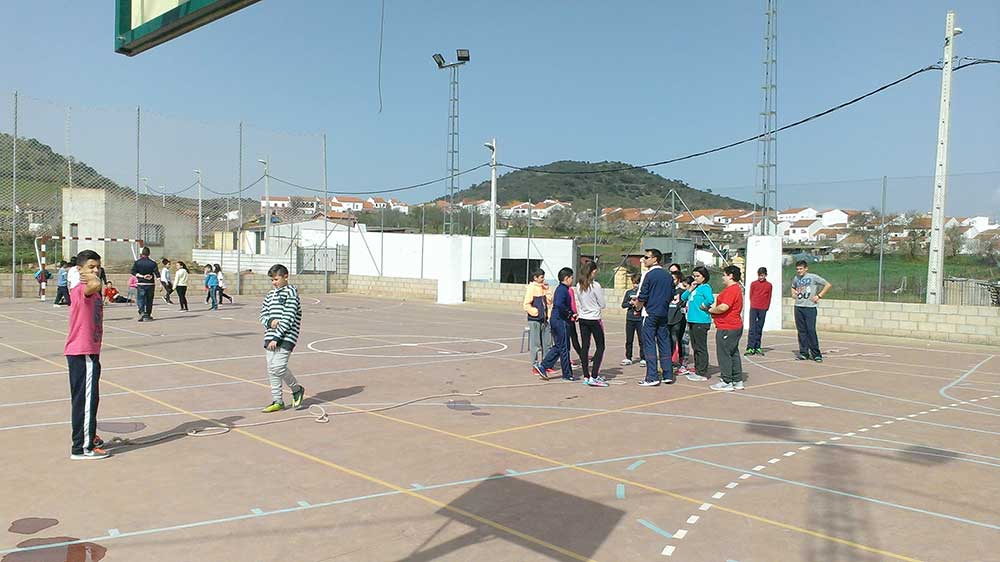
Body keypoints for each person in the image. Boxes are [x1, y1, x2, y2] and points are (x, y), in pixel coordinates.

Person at [65, 249, 110, 459]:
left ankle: (88, 437)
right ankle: (82, 448)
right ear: (80, 270)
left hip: (89, 353)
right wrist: (92, 277)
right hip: (83, 353)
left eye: (98, 266)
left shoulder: (91, 289)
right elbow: (94, 284)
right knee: (85, 401)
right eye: (91, 266)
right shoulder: (82, 288)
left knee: (90, 400)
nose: (96, 270)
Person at [259, 264, 305, 413]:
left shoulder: (291, 293)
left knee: (278, 366)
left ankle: (296, 389)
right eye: (272, 280)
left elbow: (288, 317)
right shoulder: (270, 296)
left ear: (286, 276)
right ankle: (277, 401)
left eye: (276, 279)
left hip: (286, 337)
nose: (274, 282)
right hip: (270, 336)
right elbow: (262, 315)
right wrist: (269, 321)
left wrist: (277, 337)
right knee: (271, 369)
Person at [635, 248, 675, 387]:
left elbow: (643, 295)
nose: (644, 259)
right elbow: (672, 294)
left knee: (649, 344)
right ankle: (667, 374)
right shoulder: (668, 276)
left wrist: (638, 306)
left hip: (650, 313)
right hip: (663, 313)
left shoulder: (648, 275)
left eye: (646, 257)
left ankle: (652, 376)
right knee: (664, 343)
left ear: (655, 259)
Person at [532, 267, 575, 381]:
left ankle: (543, 366)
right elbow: (559, 304)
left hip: (557, 320)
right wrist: (569, 313)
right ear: (566, 278)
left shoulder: (562, 289)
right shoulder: (562, 290)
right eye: (571, 277)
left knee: (559, 346)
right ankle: (566, 374)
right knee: (564, 347)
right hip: (560, 321)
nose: (572, 279)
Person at [706, 265, 745, 391]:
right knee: (733, 352)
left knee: (724, 353)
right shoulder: (736, 289)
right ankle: (737, 380)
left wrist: (712, 310)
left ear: (730, 276)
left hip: (728, 326)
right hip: (733, 325)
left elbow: (724, 307)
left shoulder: (732, 290)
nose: (723, 277)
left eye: (724, 275)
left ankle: (727, 380)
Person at [575, 261, 608, 387]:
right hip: (594, 318)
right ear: (593, 271)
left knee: (585, 346)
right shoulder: (595, 286)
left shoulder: (579, 285)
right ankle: (593, 376)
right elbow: (602, 304)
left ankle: (586, 376)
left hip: (583, 318)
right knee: (600, 346)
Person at [791, 260, 832, 362]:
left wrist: (819, 296)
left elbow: (827, 284)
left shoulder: (812, 277)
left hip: (810, 308)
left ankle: (816, 354)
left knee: (811, 330)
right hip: (798, 307)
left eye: (801, 269)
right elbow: (793, 287)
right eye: (797, 269)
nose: (799, 271)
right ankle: (804, 352)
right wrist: (793, 294)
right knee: (801, 331)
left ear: (806, 268)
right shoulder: (796, 278)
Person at [681, 266, 714, 382]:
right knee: (695, 346)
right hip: (691, 320)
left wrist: (704, 306)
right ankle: (697, 368)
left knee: (701, 347)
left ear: (704, 277)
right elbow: (683, 297)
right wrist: (690, 288)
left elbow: (710, 299)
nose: (695, 278)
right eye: (694, 276)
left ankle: (702, 372)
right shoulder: (695, 288)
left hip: (701, 321)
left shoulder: (705, 287)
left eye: (698, 276)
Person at [522, 268, 553, 365]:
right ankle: (535, 364)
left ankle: (546, 364)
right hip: (534, 320)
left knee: (547, 343)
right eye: (541, 277)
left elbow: (549, 301)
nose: (543, 279)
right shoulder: (531, 288)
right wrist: (536, 312)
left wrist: (547, 290)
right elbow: (526, 305)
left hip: (544, 319)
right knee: (535, 343)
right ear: (535, 278)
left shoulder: (543, 287)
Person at [667, 269, 690, 378]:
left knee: (678, 340)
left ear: (678, 280)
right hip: (667, 318)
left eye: (674, 279)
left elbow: (684, 303)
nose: (672, 281)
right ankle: (669, 360)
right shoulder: (666, 290)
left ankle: (682, 362)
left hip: (677, 318)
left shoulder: (682, 291)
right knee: (668, 340)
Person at [746, 266, 773, 356]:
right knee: (752, 328)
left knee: (759, 328)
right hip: (754, 307)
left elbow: (769, 297)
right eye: (759, 275)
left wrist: (766, 307)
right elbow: (751, 294)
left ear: (765, 275)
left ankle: (757, 346)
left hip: (763, 308)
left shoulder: (769, 285)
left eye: (762, 275)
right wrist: (753, 303)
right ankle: (750, 347)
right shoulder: (753, 284)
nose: (761, 277)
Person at [621, 273, 645, 366]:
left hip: (640, 319)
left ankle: (643, 358)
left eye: (637, 283)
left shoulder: (643, 292)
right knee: (629, 339)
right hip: (630, 318)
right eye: (634, 283)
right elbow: (623, 305)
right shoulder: (629, 292)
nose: (635, 285)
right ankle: (628, 357)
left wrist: (639, 304)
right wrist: (630, 303)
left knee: (642, 339)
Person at [131, 246, 157, 322]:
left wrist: (142, 276)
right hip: (150, 284)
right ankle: (148, 314)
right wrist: (160, 284)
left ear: (142, 254)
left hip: (141, 283)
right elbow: (157, 274)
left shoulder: (137, 262)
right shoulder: (153, 263)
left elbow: (133, 272)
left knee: (140, 299)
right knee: (149, 300)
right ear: (149, 254)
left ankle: (142, 311)